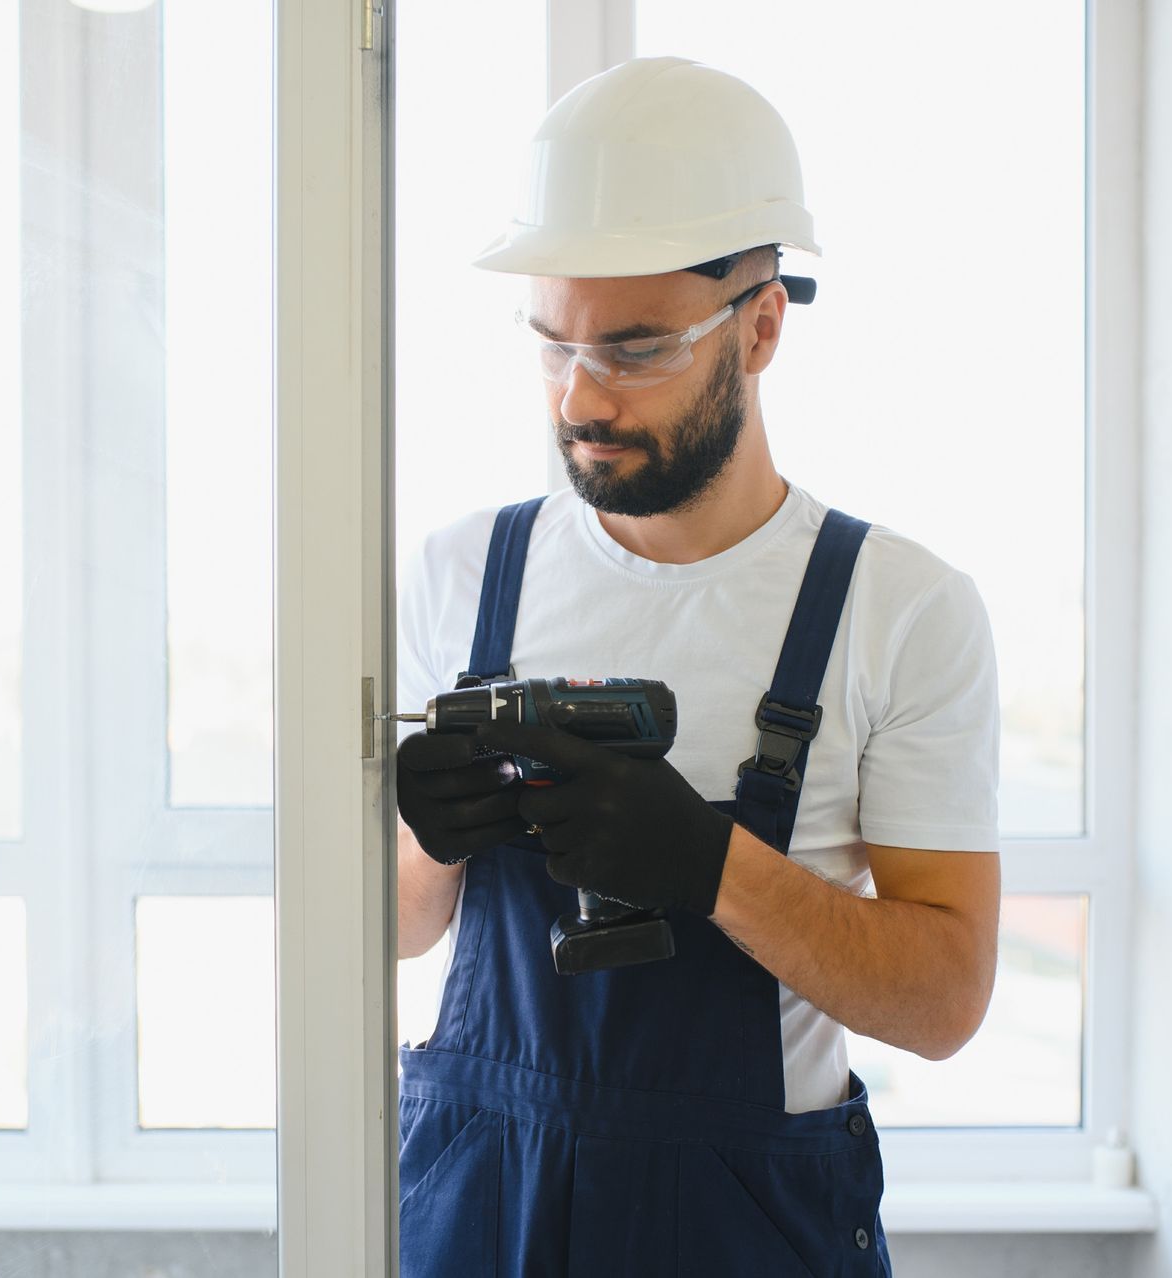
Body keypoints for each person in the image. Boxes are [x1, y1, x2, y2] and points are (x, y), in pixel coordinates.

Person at [393, 57, 1001, 1276]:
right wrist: (424, 842)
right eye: (552, 345)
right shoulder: (462, 576)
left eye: (633, 349)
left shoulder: (901, 611)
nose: (580, 397)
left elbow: (942, 1004)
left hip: (742, 1224)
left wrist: (710, 866)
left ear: (762, 324)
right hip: (480, 1195)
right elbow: (399, 938)